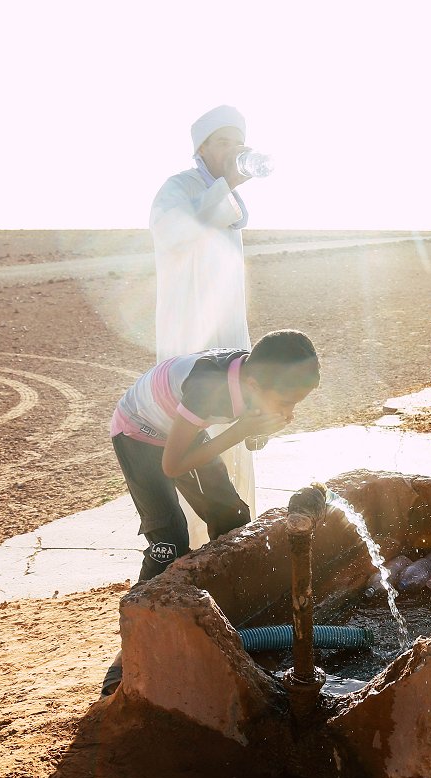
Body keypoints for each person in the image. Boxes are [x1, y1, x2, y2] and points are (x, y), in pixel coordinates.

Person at [100, 330, 320, 697]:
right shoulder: (208, 388)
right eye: (287, 400)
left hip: (178, 429)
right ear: (253, 382)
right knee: (169, 537)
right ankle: (132, 648)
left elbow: (247, 433)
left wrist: (259, 428)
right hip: (139, 432)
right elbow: (172, 465)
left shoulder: (257, 375)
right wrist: (243, 430)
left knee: (232, 514)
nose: (291, 409)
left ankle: (228, 614)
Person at [149, 104, 261, 541]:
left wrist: (226, 189)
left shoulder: (226, 193)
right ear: (202, 147)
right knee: (194, 414)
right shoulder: (176, 188)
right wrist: (223, 188)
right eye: (223, 142)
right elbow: (173, 235)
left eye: (238, 143)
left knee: (236, 404)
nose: (232, 151)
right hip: (189, 325)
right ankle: (193, 541)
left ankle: (236, 533)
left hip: (228, 321)